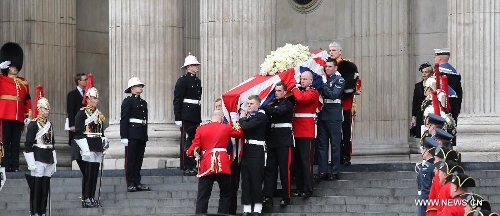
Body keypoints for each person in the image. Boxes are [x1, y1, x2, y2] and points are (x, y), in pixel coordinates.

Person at [186, 110, 244, 214]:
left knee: (203, 195)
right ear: (221, 118)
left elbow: (194, 147)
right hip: (222, 164)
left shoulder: (201, 128)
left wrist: (189, 152)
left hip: (206, 165)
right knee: (225, 193)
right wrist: (235, 120)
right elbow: (239, 133)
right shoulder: (226, 127)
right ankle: (222, 213)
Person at [71, 74, 109, 208]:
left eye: (97, 98)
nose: (96, 100)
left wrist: (104, 141)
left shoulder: (98, 114)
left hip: (96, 146)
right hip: (85, 147)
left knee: (94, 174)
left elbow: (100, 130)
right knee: (87, 175)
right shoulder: (81, 113)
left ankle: (92, 197)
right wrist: (85, 149)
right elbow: (79, 132)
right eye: (93, 98)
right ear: (87, 99)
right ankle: (85, 198)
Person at [24, 85, 56, 216]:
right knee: (36, 187)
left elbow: (52, 143)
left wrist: (54, 161)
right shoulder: (33, 124)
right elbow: (28, 144)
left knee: (45, 186)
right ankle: (35, 211)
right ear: (39, 109)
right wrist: (30, 162)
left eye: (48, 108)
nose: (47, 110)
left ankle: (43, 210)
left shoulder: (50, 124)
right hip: (37, 156)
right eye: (45, 108)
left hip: (48, 156)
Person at [0, 42, 32, 172]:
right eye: (11, 66)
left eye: (15, 66)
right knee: (6, 142)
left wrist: (28, 115)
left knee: (16, 143)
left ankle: (15, 166)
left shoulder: (23, 82)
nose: (14, 68)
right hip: (5, 113)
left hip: (18, 116)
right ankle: (6, 165)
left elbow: (27, 100)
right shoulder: (1, 79)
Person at [261, 82, 294, 207]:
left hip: (284, 140)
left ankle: (286, 196)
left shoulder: (287, 104)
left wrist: (264, 105)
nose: (277, 93)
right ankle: (268, 196)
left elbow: (278, 112)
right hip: (273, 140)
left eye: (279, 91)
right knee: (270, 169)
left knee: (284, 169)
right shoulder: (272, 104)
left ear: (285, 92)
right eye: (275, 91)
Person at [328, 42, 360, 165]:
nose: (331, 52)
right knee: (333, 132)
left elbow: (357, 83)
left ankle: (346, 155)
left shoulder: (348, 65)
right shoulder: (326, 66)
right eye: (330, 50)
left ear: (340, 52)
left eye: (334, 50)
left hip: (345, 102)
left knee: (346, 130)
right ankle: (335, 157)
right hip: (331, 104)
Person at [291, 71, 320, 198]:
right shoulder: (299, 91)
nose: (302, 81)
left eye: (304, 79)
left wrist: (293, 87)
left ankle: (308, 188)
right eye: (301, 78)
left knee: (305, 161)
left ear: (311, 81)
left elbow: (301, 99)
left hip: (307, 131)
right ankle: (299, 187)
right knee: (297, 161)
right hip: (296, 130)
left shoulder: (313, 92)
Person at [238, 95, 268, 216]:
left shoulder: (261, 116)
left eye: (251, 104)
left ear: (258, 104)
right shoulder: (251, 117)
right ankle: (246, 208)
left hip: (257, 150)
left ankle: (257, 208)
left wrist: (242, 117)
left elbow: (246, 126)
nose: (249, 106)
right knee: (245, 181)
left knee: (256, 180)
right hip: (247, 150)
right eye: (248, 104)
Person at [316, 57, 345, 181]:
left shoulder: (339, 79)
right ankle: (322, 171)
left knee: (334, 144)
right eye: (326, 66)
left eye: (330, 66)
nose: (327, 68)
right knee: (322, 144)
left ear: (335, 68)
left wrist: (323, 85)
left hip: (334, 114)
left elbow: (334, 95)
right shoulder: (324, 78)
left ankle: (335, 171)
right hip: (323, 113)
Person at [173, 53, 202, 176]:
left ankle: (193, 164)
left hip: (195, 113)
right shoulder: (182, 81)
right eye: (195, 65)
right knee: (186, 141)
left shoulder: (197, 81)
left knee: (194, 140)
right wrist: (178, 117)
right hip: (186, 114)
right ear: (188, 67)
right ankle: (186, 165)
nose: (197, 67)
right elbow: (178, 100)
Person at [120, 77, 150, 192]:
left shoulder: (143, 103)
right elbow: (124, 119)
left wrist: (145, 135)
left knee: (138, 159)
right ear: (132, 88)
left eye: (141, 86)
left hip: (140, 133)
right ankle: (130, 182)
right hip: (132, 134)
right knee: (131, 159)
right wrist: (124, 136)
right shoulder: (128, 101)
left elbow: (144, 120)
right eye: (138, 86)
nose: (141, 87)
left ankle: (137, 181)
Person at [434, 48, 462, 123]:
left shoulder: (438, 71)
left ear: (439, 58)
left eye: (435, 56)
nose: (435, 58)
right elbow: (459, 91)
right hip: (454, 102)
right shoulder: (455, 72)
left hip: (441, 102)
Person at [411, 63, 433, 139]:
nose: (424, 74)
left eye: (426, 72)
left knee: (430, 133)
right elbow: (415, 101)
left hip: (430, 112)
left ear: (430, 73)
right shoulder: (418, 86)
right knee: (421, 135)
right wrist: (414, 117)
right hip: (420, 112)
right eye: (423, 72)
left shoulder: (433, 85)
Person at [416, 137, 436, 216]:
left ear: (427, 151)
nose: (422, 151)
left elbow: (425, 189)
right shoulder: (432, 165)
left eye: (423, 149)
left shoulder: (426, 167)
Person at [67, 73, 87, 145]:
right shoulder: (72, 94)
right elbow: (70, 110)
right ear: (79, 81)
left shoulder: (87, 94)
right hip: (76, 124)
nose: (86, 81)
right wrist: (72, 125)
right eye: (85, 80)